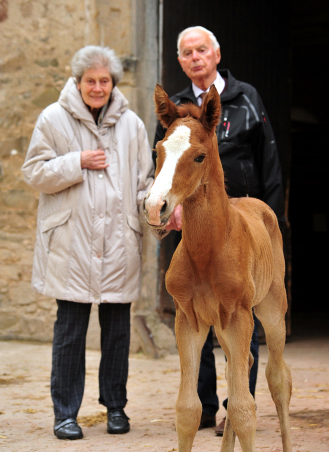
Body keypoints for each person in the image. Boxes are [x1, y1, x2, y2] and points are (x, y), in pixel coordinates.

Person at [154, 26, 286, 436]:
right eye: (187, 53)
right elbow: (164, 164)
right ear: (180, 61)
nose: (195, 57)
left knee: (239, 305)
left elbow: (268, 155)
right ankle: (206, 405)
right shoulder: (176, 109)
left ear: (216, 54)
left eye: (201, 50)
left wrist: (273, 216)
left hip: (241, 218)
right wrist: (167, 207)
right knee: (196, 307)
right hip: (193, 218)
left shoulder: (245, 97)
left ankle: (237, 403)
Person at [22, 45, 154, 440]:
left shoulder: (132, 124)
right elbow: (33, 173)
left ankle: (115, 408)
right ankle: (65, 413)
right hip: (72, 242)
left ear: (114, 83)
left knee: (117, 331)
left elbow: (144, 182)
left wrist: (158, 211)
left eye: (105, 81)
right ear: (77, 82)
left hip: (117, 240)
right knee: (70, 331)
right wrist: (76, 161)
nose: (97, 87)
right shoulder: (52, 118)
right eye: (90, 81)